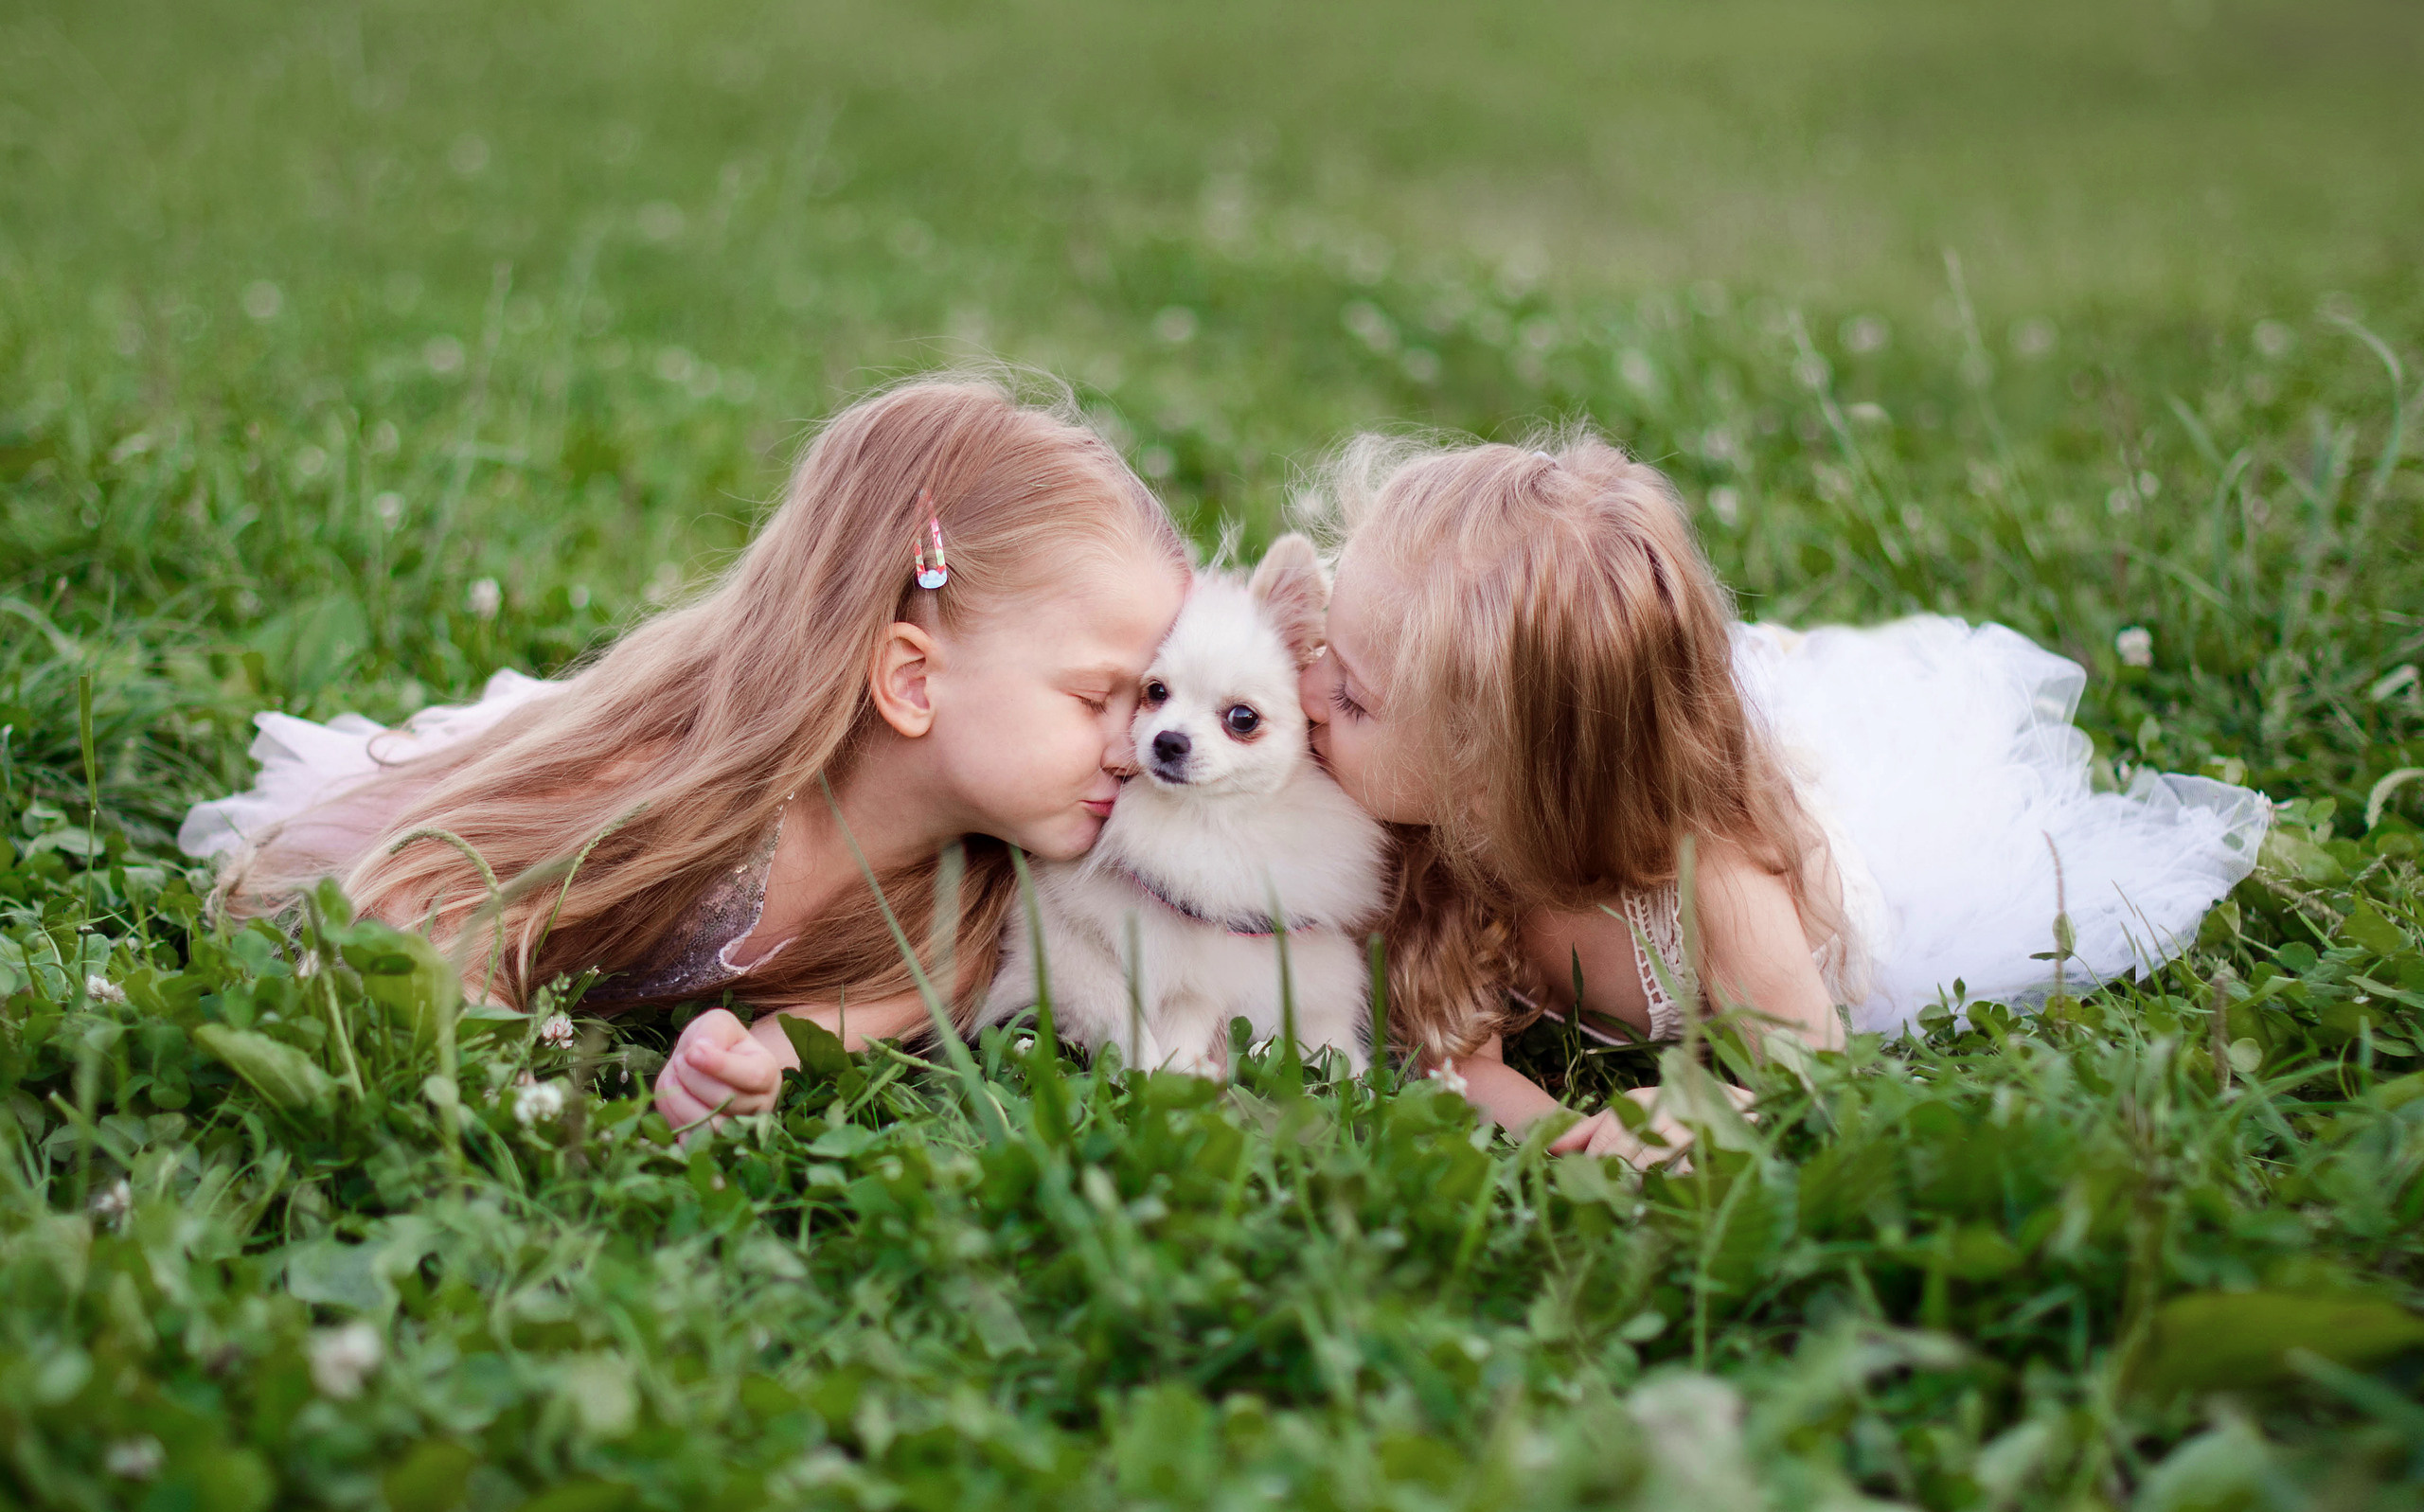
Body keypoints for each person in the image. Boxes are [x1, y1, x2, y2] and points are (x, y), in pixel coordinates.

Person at [182, 373, 1190, 1132]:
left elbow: (813, 1037)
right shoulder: (667, 785)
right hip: (448, 807)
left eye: (1143, 701)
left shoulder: (962, 917)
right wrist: (495, 1047)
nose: (1132, 748)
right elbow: (415, 901)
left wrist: (743, 1070)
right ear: (913, 681)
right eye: (1097, 698)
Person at [1295, 432, 2267, 1165]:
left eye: (1348, 693)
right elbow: (1452, 1061)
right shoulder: (1408, 831)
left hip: (1859, 851)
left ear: (1486, 769)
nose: (1304, 693)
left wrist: (1703, 1120)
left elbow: (1811, 1070)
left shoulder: (1708, 875)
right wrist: (1564, 1134)